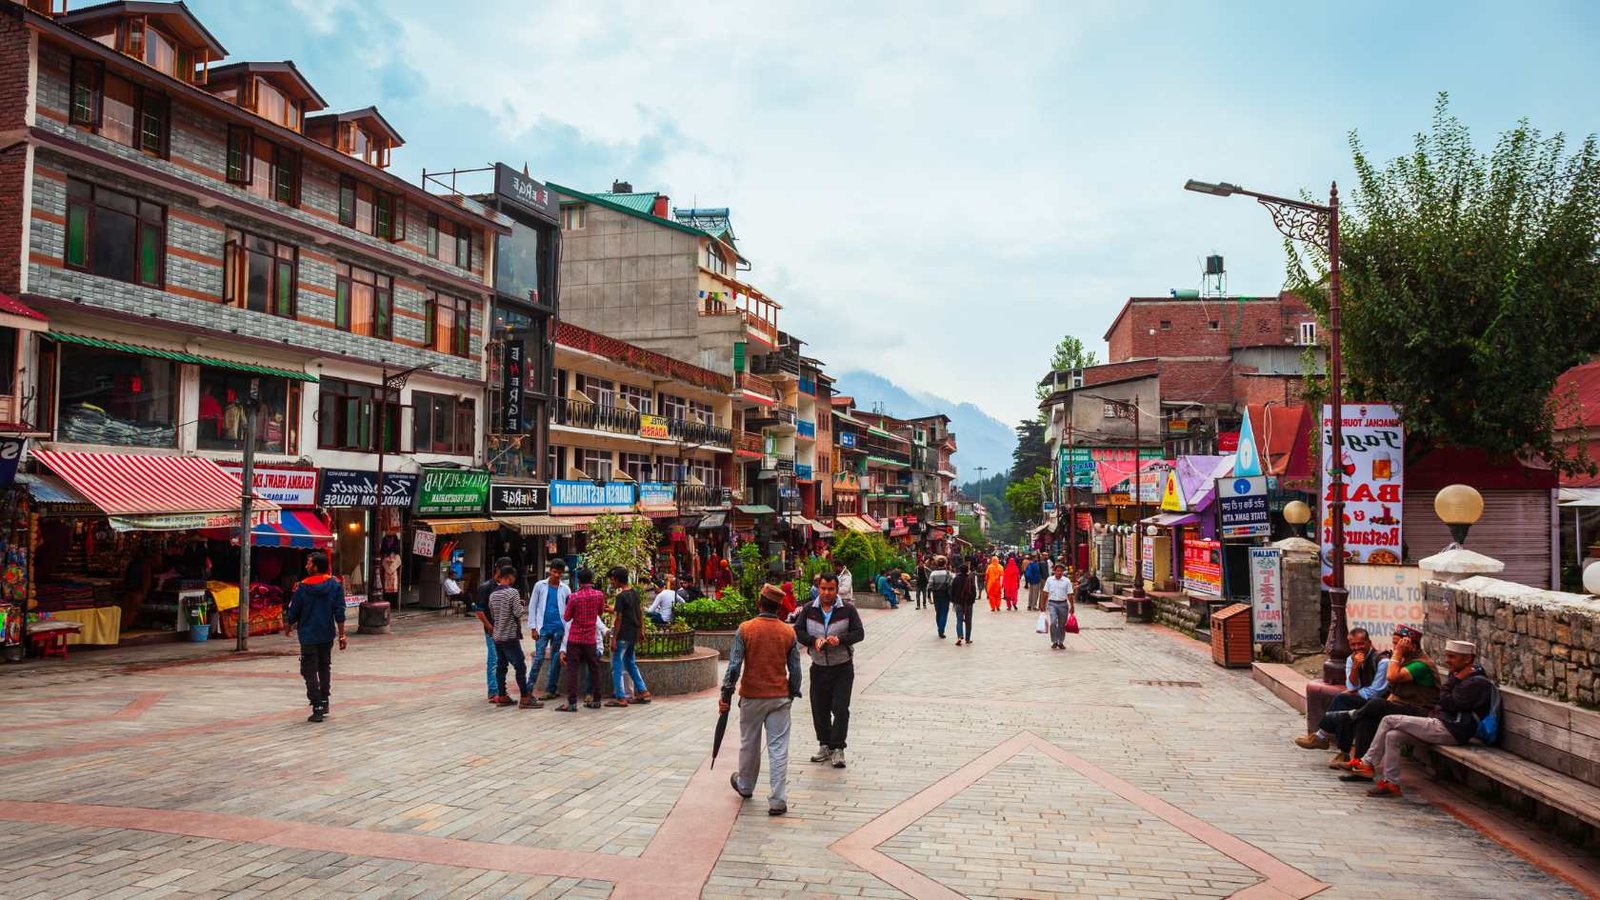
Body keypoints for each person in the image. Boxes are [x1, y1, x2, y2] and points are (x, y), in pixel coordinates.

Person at [1347, 640, 1496, 797]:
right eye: (1447, 656)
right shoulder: (1460, 675)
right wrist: (1455, 681)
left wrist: (1455, 681)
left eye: (1452, 657)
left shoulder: (1475, 682)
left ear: (1468, 659)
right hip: (1443, 725)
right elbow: (1445, 700)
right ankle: (1391, 783)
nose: (1447, 660)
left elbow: (1446, 702)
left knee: (1389, 720)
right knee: (1393, 736)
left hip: (1452, 729)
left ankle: (1367, 762)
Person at [722, 583, 804, 816]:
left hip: (752, 695)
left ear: (759, 603)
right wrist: (792, 691)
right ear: (779, 608)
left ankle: (746, 785)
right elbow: (795, 670)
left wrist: (726, 692)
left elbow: (734, 666)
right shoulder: (788, 632)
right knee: (778, 748)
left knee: (749, 743)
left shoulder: (746, 629)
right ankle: (777, 799)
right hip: (779, 696)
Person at [795, 571, 865, 768]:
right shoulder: (809, 609)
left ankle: (838, 748)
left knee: (841, 709)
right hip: (818, 667)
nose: (826, 593)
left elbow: (859, 633)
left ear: (837, 590)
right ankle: (824, 745)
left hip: (842, 667)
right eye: (823, 588)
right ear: (818, 588)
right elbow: (798, 631)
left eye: (831, 589)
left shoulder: (848, 610)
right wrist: (813, 641)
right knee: (820, 708)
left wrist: (840, 639)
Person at [1295, 628, 1390, 762]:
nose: (1357, 648)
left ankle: (1322, 736)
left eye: (1361, 644)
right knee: (1344, 708)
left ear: (1369, 642)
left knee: (1343, 699)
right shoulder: (1351, 660)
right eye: (1353, 645)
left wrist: (1356, 693)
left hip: (1379, 702)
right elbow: (1352, 686)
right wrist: (1355, 668)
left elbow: (1376, 691)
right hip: (1362, 699)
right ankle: (1341, 752)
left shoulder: (1382, 661)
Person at [283, 552, 346, 723]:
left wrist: (288, 625)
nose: (306, 566)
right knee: (324, 667)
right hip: (327, 633)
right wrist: (342, 635)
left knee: (309, 670)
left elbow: (294, 610)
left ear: (316, 567)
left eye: (309, 563)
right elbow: (339, 611)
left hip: (309, 635)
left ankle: (316, 704)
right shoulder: (335, 585)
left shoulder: (303, 587)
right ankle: (324, 701)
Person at [555, 567, 607, 712]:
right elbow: (600, 612)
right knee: (594, 669)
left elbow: (566, 617)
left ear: (578, 581)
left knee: (572, 671)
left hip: (575, 639)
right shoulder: (599, 595)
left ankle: (572, 703)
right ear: (591, 579)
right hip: (590, 639)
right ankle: (596, 700)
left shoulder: (574, 597)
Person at [486, 565, 538, 708]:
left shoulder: (493, 594)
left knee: (501, 666)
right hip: (510, 636)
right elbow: (517, 612)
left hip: (497, 636)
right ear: (509, 577)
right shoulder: (512, 593)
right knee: (520, 666)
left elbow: (492, 614)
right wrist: (521, 605)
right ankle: (525, 697)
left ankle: (502, 695)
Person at [606, 566, 652, 707]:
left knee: (617, 666)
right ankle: (643, 691)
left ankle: (620, 697)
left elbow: (619, 618)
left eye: (613, 580)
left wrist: (614, 638)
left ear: (618, 580)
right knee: (630, 662)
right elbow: (639, 613)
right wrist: (641, 630)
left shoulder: (620, 596)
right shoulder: (634, 593)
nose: (611, 582)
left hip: (622, 634)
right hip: (633, 633)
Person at [473, 556, 515, 703]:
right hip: (492, 630)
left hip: (506, 631)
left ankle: (501, 690)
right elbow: (479, 610)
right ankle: (493, 691)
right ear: (498, 569)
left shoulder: (508, 588)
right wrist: (489, 626)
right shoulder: (486, 587)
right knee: (494, 660)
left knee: (503, 660)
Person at [528, 560, 571, 700]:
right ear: (550, 571)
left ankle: (551, 689)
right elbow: (532, 606)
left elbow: (569, 610)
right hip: (542, 628)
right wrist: (533, 628)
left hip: (559, 628)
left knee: (555, 659)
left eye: (559, 573)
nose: (557, 575)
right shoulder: (540, 586)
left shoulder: (566, 589)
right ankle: (528, 689)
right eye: (554, 572)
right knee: (539, 657)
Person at [1041, 561, 1075, 650]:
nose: (1059, 572)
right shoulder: (1049, 580)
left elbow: (1070, 594)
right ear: (1054, 571)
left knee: (1062, 625)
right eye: (1057, 571)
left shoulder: (1067, 581)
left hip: (1063, 604)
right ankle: (1054, 641)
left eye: (1061, 571)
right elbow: (1045, 592)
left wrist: (1072, 605)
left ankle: (1061, 642)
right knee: (1052, 623)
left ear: (1063, 572)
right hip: (1052, 604)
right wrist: (1042, 604)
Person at [927, 555, 955, 639]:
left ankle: (939, 628)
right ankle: (941, 630)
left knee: (938, 613)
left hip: (936, 595)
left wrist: (929, 597)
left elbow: (930, 586)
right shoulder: (949, 573)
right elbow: (951, 585)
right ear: (945, 564)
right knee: (944, 613)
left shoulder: (933, 573)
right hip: (945, 595)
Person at [952, 561, 977, 646]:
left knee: (959, 620)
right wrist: (972, 601)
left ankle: (959, 636)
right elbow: (974, 592)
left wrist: (953, 601)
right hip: (968, 603)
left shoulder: (956, 579)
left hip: (959, 603)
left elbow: (952, 591)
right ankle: (968, 639)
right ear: (967, 571)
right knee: (968, 621)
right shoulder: (970, 579)